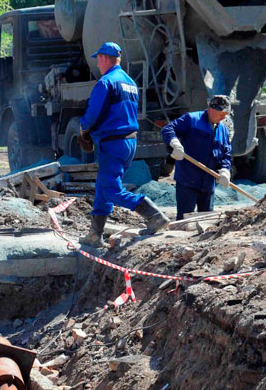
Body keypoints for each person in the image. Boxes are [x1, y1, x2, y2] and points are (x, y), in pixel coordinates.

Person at [78, 42, 169, 246]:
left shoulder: (106, 82)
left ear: (103, 58)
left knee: (112, 190)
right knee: (103, 187)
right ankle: (95, 235)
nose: (98, 64)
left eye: (98, 59)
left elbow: (94, 112)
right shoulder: (129, 82)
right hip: (128, 141)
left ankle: (154, 215)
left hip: (112, 142)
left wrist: (84, 129)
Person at [161, 96, 233, 220]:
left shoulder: (223, 130)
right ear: (211, 109)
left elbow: (226, 153)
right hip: (188, 180)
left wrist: (225, 170)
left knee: (206, 220)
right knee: (184, 220)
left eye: (226, 114)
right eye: (221, 113)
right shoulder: (192, 120)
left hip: (208, 182)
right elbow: (168, 129)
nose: (223, 117)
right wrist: (175, 143)